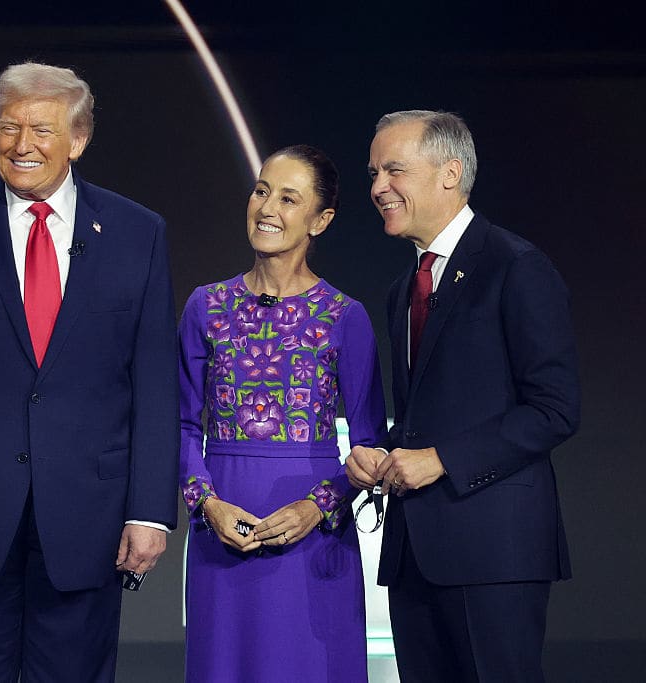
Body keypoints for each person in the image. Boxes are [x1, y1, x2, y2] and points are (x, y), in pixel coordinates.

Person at [0, 62, 178, 682]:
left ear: (78, 139)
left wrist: (148, 510)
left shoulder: (137, 233)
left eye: (41, 129)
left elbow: (155, 382)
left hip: (89, 510)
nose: (21, 145)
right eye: (8, 128)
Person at [347, 110, 580, 681]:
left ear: (450, 173)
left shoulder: (515, 266)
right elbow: (430, 409)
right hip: (413, 556)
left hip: (494, 552)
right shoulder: (403, 288)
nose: (378, 187)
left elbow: (554, 409)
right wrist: (382, 453)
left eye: (394, 170)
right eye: (374, 172)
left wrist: (441, 460)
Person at [178, 145, 388, 682]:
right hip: (221, 532)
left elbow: (369, 447)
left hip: (312, 540)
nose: (267, 207)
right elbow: (179, 423)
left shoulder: (346, 316)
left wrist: (317, 509)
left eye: (289, 198)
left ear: (321, 219)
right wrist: (207, 504)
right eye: (261, 190)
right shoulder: (206, 306)